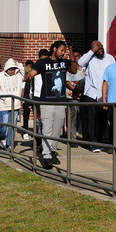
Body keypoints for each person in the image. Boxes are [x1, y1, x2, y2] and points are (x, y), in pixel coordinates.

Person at [32, 40, 78, 170]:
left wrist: (72, 59)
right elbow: (34, 72)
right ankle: (46, 157)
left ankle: (52, 151)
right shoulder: (43, 62)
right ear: (54, 49)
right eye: (61, 50)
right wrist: (29, 75)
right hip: (46, 101)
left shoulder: (65, 62)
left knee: (57, 130)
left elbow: (74, 71)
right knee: (47, 128)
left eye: (64, 51)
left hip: (61, 101)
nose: (63, 53)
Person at [78, 40, 116, 153]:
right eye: (96, 48)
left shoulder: (110, 58)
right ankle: (94, 144)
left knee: (103, 119)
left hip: (105, 95)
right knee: (92, 119)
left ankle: (99, 140)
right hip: (92, 93)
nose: (99, 50)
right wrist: (91, 51)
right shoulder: (89, 58)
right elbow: (80, 62)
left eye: (100, 47)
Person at [0, 59, 25, 150]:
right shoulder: (0, 76)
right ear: (6, 68)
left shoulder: (18, 75)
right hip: (4, 105)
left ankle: (9, 144)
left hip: (15, 105)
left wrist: (17, 63)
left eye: (13, 69)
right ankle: (2, 137)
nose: (12, 71)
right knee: (4, 125)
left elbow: (23, 70)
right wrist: (3, 97)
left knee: (13, 126)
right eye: (10, 69)